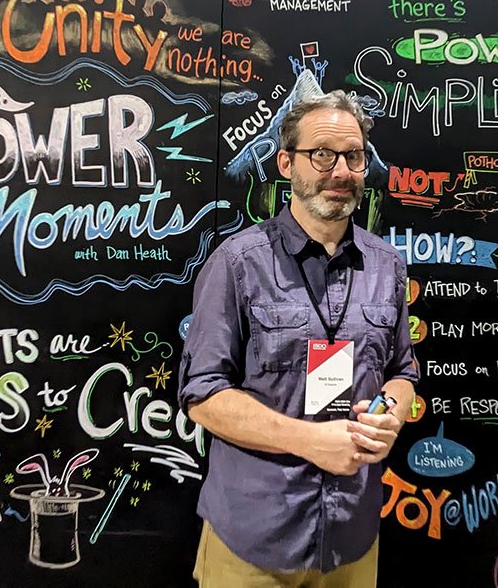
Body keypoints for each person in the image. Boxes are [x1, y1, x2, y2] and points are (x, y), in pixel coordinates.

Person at [178, 90, 419, 588]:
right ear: (286, 163)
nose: (340, 171)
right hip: (255, 540)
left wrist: (390, 413)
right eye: (322, 154)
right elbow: (201, 395)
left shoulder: (386, 265)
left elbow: (403, 372)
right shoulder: (238, 262)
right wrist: (312, 442)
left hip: (352, 539)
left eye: (353, 156)